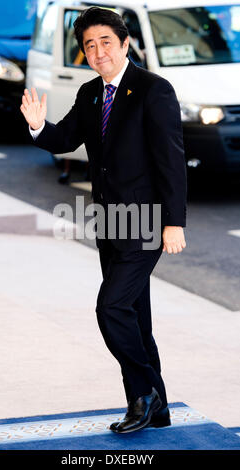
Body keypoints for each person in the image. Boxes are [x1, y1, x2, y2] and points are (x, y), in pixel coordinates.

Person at [20, 6, 187, 434]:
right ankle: (159, 409)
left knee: (110, 308)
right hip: (110, 224)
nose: (98, 51)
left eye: (105, 41)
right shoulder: (91, 93)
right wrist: (39, 128)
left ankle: (143, 394)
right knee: (134, 315)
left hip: (147, 221)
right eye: (89, 45)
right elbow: (65, 138)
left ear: (125, 43)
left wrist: (174, 222)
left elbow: (171, 161)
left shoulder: (154, 90)